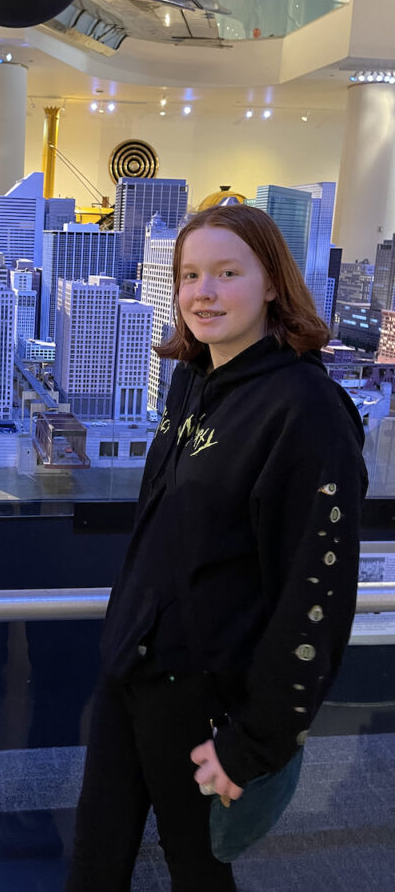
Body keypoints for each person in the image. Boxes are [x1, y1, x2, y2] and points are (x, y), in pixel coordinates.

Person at [65, 203, 367, 892]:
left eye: (227, 273)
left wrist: (255, 739)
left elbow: (314, 598)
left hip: (205, 700)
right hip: (131, 674)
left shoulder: (308, 412)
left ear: (271, 284)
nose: (203, 292)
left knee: (197, 871)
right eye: (190, 275)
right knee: (93, 862)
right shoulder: (192, 379)